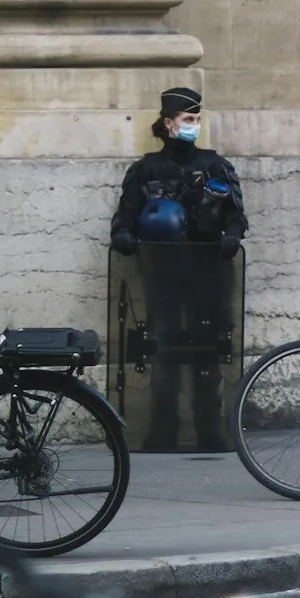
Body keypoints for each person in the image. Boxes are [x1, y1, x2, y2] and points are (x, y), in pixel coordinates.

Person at [110, 87, 248, 451]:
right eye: (188, 120)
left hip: (209, 272)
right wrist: (124, 236)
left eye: (198, 119)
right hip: (164, 272)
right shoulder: (146, 170)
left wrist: (232, 236)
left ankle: (209, 431)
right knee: (165, 350)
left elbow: (236, 216)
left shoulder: (216, 166)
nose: (194, 126)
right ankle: (162, 432)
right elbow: (123, 218)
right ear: (168, 123)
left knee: (209, 353)